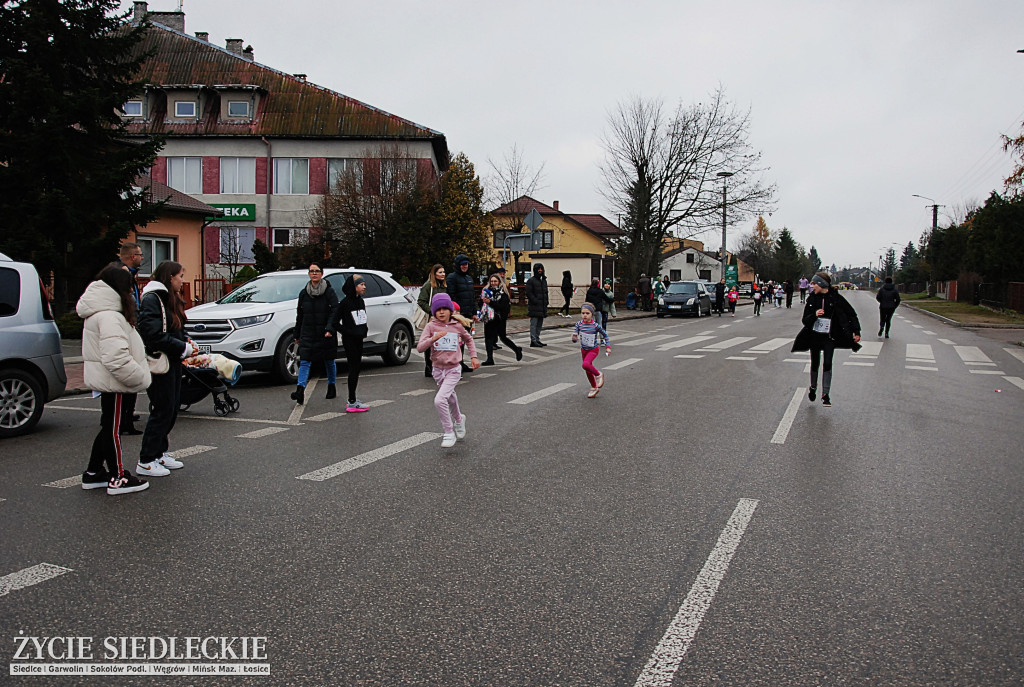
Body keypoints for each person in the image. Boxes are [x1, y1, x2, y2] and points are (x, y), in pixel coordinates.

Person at [77, 266, 152, 494]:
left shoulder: (99, 311)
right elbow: (116, 357)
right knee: (113, 428)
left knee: (108, 424)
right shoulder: (110, 315)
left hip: (108, 380)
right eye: (130, 287)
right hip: (116, 381)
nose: (132, 292)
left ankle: (93, 472)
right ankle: (118, 477)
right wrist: (139, 377)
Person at [137, 260, 193, 478]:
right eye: (180, 276)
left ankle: (160, 452)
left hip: (173, 360)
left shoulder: (168, 299)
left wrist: (187, 341)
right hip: (160, 362)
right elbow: (153, 334)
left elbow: (174, 328)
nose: (182, 280)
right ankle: (146, 459)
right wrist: (182, 347)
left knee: (170, 408)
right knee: (162, 409)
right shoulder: (153, 298)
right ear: (170, 277)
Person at [417, 294, 478, 448]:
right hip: (437, 370)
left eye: (445, 309)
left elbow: (469, 339)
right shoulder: (431, 327)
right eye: (438, 309)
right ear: (434, 311)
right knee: (450, 397)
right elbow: (419, 348)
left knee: (439, 400)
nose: (442, 312)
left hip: (453, 369)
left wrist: (474, 357)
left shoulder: (456, 326)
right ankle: (459, 419)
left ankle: (449, 432)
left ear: (450, 310)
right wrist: (433, 339)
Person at [792, 272, 862, 407]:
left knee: (828, 363)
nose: (811, 286)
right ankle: (813, 387)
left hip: (830, 336)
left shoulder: (836, 298)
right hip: (814, 336)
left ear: (822, 284)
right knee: (815, 362)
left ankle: (825, 394)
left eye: (813, 284)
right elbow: (805, 320)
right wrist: (814, 315)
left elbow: (851, 314)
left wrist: (856, 331)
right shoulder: (812, 299)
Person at [290, 262, 339, 406]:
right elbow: (300, 314)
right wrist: (297, 333)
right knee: (305, 361)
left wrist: (330, 328)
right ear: (309, 274)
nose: (314, 273)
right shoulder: (304, 293)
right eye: (312, 271)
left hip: (325, 333)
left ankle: (332, 385)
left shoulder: (329, 292)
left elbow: (335, 311)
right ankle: (300, 390)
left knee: (329, 360)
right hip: (308, 332)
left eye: (317, 271)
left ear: (322, 274)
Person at [117, 242, 144, 435]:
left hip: (131, 327)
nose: (142, 258)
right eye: (140, 255)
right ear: (132, 256)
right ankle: (124, 419)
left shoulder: (129, 275)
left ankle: (127, 414)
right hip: (127, 330)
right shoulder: (122, 276)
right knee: (129, 375)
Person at [337, 274, 370, 412]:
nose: (364, 287)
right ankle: (351, 401)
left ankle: (353, 399)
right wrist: (347, 331)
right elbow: (335, 322)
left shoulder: (360, 301)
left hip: (359, 339)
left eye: (364, 284)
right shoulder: (345, 303)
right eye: (361, 284)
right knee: (353, 368)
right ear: (354, 286)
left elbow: (362, 318)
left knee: (357, 368)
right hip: (350, 339)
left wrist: (363, 330)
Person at [481, 274, 523, 365]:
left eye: (495, 281)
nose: (493, 283)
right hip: (489, 318)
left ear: (499, 282)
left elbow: (502, 307)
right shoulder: (487, 292)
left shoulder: (503, 294)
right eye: (491, 281)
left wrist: (490, 302)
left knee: (503, 337)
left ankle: (517, 349)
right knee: (488, 338)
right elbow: (482, 303)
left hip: (499, 319)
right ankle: (489, 359)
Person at [572, 303, 612, 398]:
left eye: (587, 313)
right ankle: (594, 387)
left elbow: (605, 335)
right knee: (587, 369)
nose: (585, 315)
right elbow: (575, 338)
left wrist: (608, 346)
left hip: (593, 349)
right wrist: (574, 338)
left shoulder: (595, 326)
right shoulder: (579, 324)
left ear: (592, 314)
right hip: (584, 350)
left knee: (585, 364)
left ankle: (599, 375)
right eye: (583, 313)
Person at [447, 254, 478, 371]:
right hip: (458, 315)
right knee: (456, 341)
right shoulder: (452, 278)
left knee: (464, 340)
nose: (465, 266)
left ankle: (461, 362)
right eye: (463, 264)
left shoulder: (469, 279)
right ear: (458, 265)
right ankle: (455, 364)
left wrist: (474, 312)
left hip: (468, 315)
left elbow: (472, 297)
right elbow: (451, 295)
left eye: (466, 264)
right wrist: (455, 312)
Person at [417, 264, 446, 377]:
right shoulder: (429, 285)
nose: (443, 274)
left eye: (443, 272)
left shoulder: (444, 286)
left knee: (441, 341)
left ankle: (439, 366)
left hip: (443, 318)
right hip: (432, 317)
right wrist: (432, 311)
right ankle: (428, 366)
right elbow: (421, 301)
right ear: (434, 274)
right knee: (430, 342)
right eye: (440, 272)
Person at [526, 262, 549, 347]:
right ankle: (533, 340)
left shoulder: (543, 280)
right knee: (534, 324)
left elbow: (546, 292)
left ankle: (537, 339)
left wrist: (546, 302)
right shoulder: (531, 281)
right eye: (538, 269)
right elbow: (529, 293)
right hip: (534, 306)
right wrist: (534, 300)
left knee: (539, 324)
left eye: (541, 269)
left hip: (542, 306)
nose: (540, 270)